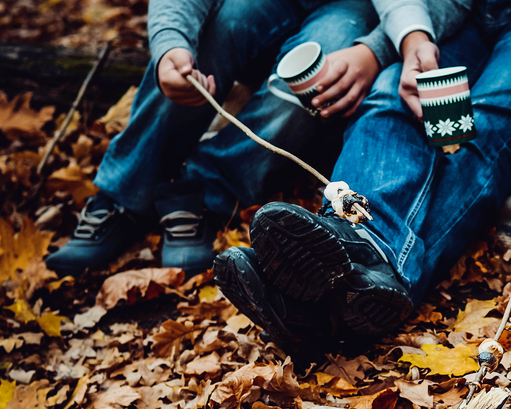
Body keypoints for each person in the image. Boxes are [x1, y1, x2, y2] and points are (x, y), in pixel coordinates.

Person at [215, 0, 511, 352]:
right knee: (392, 93)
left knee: (482, 129)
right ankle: (355, 263)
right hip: (456, 10)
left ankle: (326, 305)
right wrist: (413, 37)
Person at [45, 0, 403, 276]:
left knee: (314, 81)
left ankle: (199, 196)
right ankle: (124, 195)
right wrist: (170, 44)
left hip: (360, 12)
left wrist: (376, 49)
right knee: (205, 41)